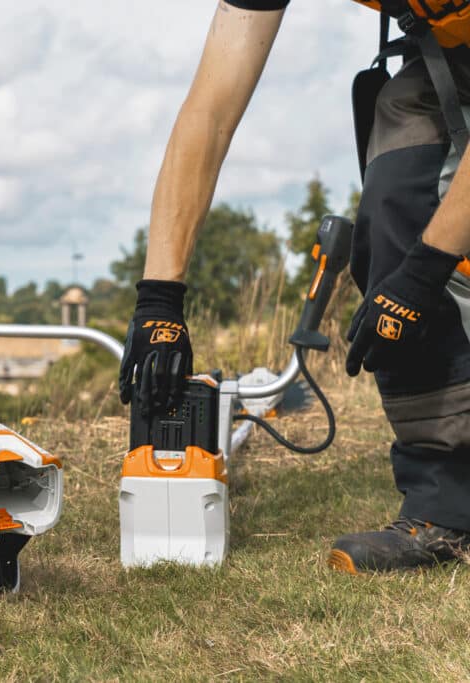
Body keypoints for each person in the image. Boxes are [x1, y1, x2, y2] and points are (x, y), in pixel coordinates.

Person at [118, 0, 470, 574]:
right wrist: (160, 297)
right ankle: (445, 507)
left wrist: (427, 269)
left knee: (433, 250)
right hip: (452, 58)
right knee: (394, 196)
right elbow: (209, 111)